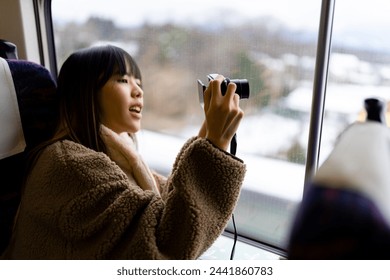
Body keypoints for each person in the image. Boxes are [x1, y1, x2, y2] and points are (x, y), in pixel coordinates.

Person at [2, 45, 246, 259]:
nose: (138, 90)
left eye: (138, 82)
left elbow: (172, 204)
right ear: (85, 92)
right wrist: (214, 144)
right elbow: (162, 248)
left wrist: (210, 131)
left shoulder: (116, 157)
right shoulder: (69, 165)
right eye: (122, 80)